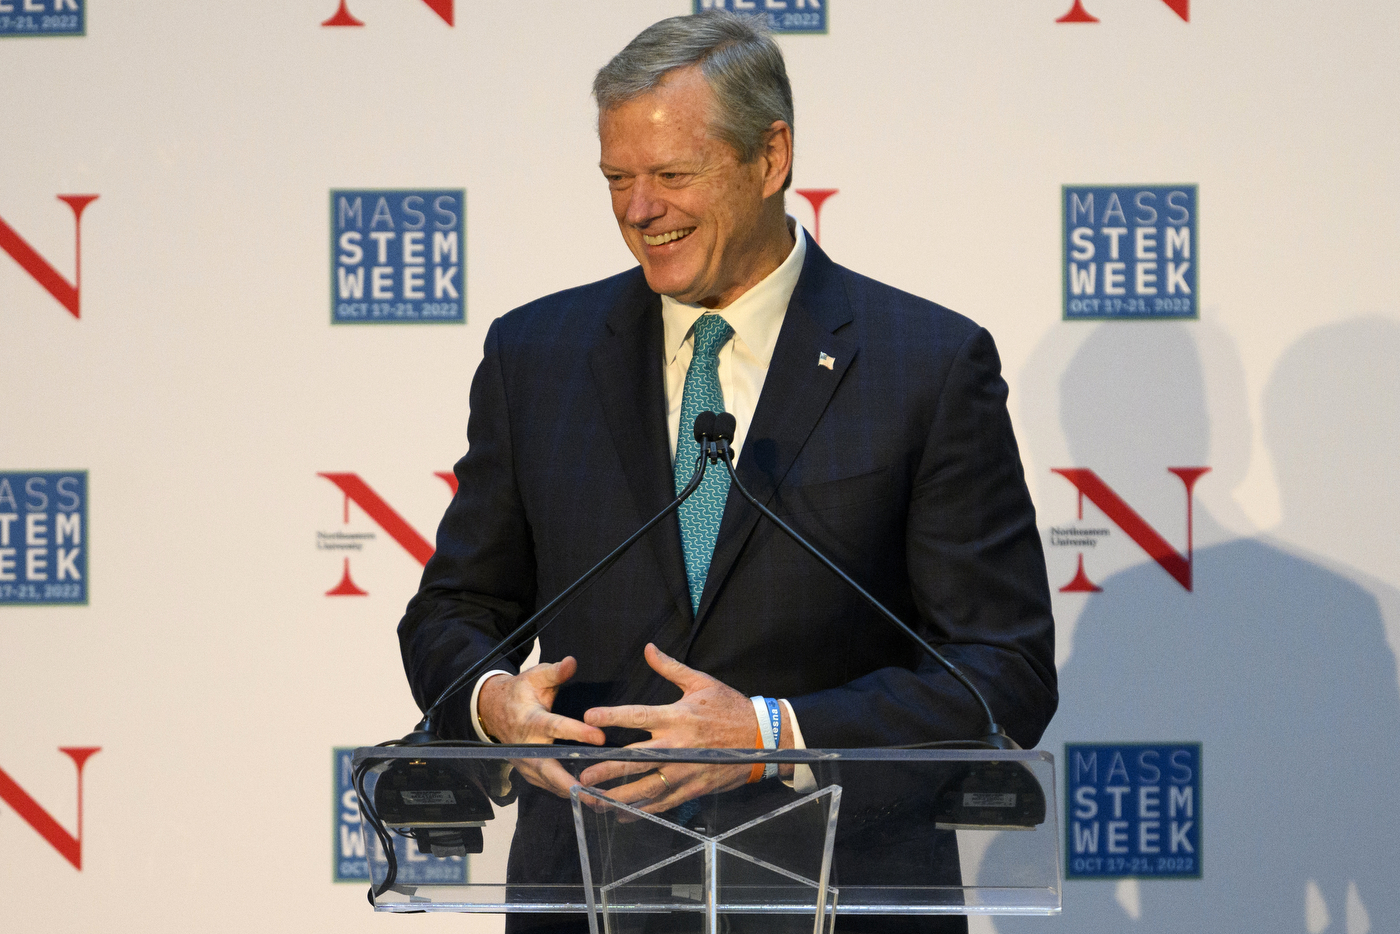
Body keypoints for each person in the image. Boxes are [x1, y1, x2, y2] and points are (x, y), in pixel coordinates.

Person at [397, 11, 1056, 932]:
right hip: (587, 894)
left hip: (840, 896)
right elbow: (455, 611)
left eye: (671, 174)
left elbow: (1003, 670)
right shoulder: (535, 356)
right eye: (617, 179)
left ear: (770, 157)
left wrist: (776, 734)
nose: (639, 209)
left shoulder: (925, 366)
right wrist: (491, 700)